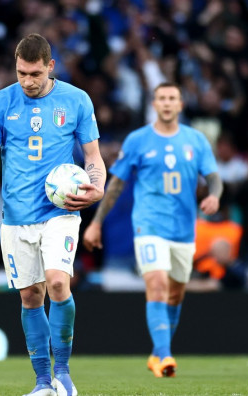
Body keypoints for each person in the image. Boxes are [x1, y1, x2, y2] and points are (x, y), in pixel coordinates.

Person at [0, 33, 106, 396]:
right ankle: (42, 382)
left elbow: (93, 157)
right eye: (21, 73)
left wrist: (97, 185)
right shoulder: (1, 102)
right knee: (31, 295)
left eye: (34, 74)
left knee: (59, 283)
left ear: (50, 66)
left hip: (59, 211)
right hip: (16, 217)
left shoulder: (76, 100)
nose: (28, 82)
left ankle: (63, 373)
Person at [82, 82, 222, 378]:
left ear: (181, 104)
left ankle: (158, 353)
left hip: (184, 229)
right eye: (162, 98)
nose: (167, 103)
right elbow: (116, 184)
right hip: (148, 224)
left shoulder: (196, 140)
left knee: (175, 295)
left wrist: (215, 195)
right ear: (154, 104)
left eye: (173, 98)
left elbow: (214, 177)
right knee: (157, 284)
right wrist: (95, 223)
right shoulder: (138, 140)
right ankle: (166, 355)